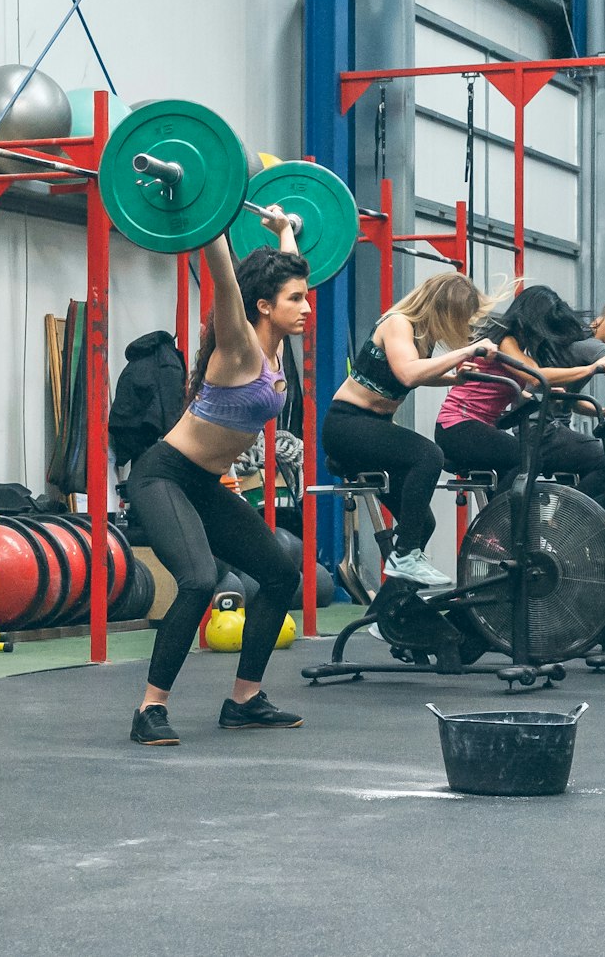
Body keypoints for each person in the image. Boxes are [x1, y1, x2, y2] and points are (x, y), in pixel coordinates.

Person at [130, 209, 308, 747]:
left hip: (206, 486)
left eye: (303, 295)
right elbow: (225, 277)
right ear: (262, 306)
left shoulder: (276, 349)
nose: (305, 305)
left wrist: (283, 231)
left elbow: (292, 268)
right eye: (295, 299)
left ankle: (245, 700)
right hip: (164, 476)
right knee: (198, 580)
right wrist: (213, 219)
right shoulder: (238, 347)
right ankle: (150, 710)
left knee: (280, 574)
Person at [435, 288, 605, 493]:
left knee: (593, 463)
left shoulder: (529, 345)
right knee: (602, 464)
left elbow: (543, 389)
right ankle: (556, 521)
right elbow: (537, 376)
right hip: (484, 426)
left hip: (514, 426)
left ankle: (558, 520)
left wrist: (598, 408)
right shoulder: (583, 345)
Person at [320, 272, 497, 587]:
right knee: (428, 454)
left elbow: (413, 372)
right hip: (347, 425)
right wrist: (466, 352)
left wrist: (452, 379)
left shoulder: (423, 335)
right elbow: (407, 374)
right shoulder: (399, 322)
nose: (462, 327)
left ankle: (386, 614)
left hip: (373, 426)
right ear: (443, 309)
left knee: (421, 524)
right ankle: (404, 556)